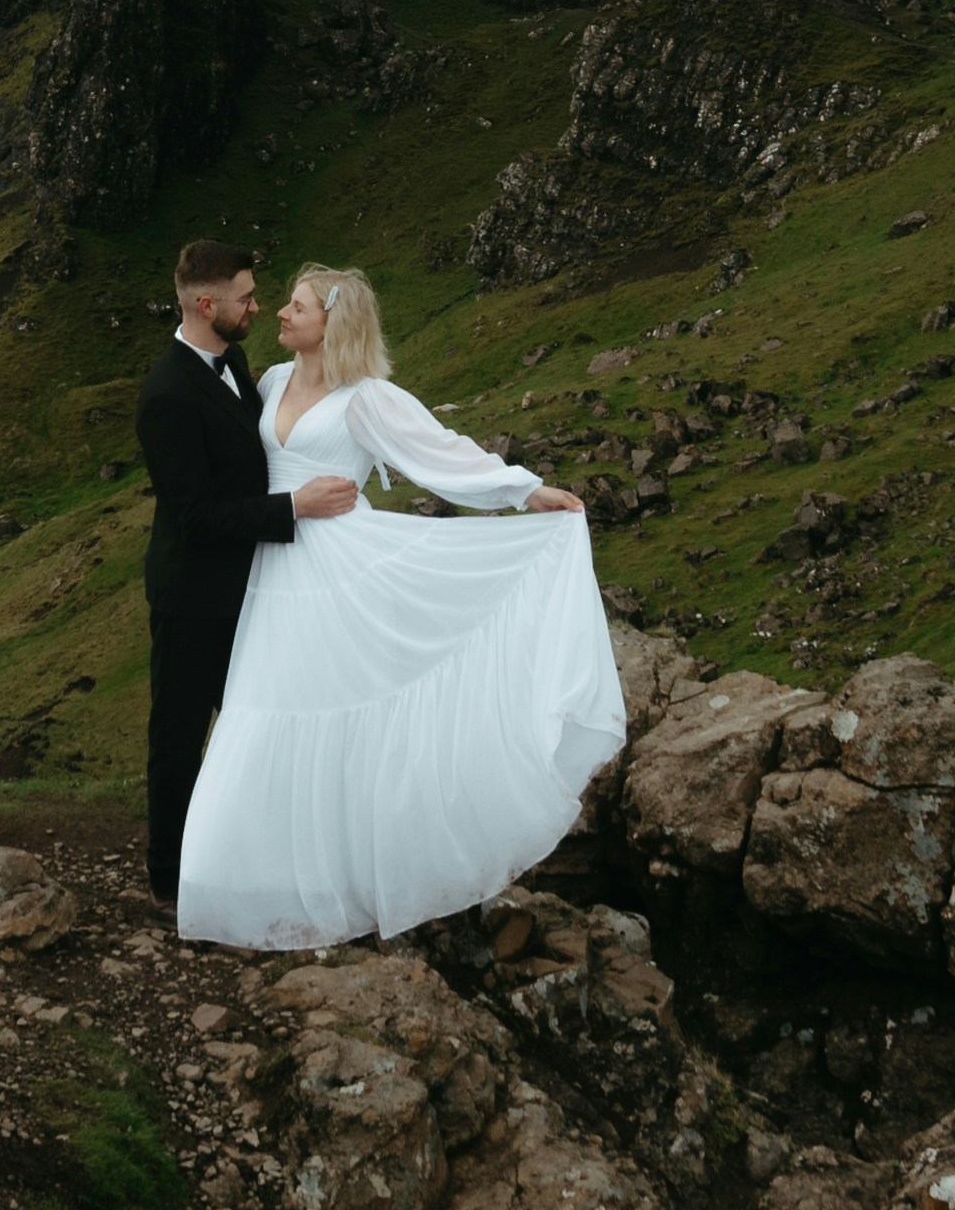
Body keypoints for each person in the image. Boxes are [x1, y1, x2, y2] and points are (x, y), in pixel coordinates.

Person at [164, 262, 627, 954]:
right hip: (276, 569)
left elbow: (441, 451)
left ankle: (347, 877)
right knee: (264, 708)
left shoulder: (365, 399)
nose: (280, 315)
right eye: (282, 303)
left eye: (295, 306)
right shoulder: (270, 382)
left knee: (337, 712)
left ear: (331, 324)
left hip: (343, 569)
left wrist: (526, 491)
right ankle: (237, 883)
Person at [142, 238, 351, 908]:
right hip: (193, 596)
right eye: (246, 298)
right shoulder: (166, 393)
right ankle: (171, 884)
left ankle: (248, 864)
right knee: (178, 740)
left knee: (256, 731)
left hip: (253, 591)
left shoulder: (232, 358)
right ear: (207, 304)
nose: (258, 307)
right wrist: (294, 505)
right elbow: (197, 514)